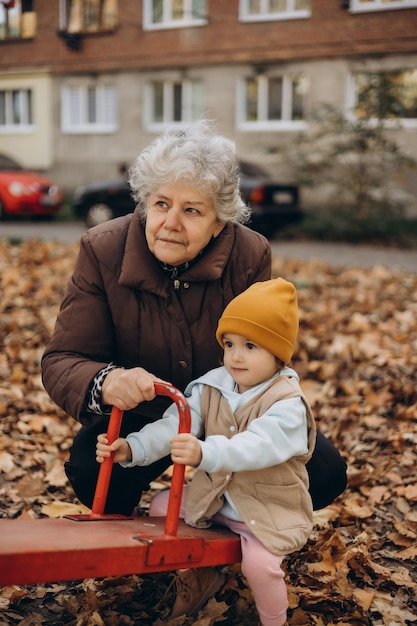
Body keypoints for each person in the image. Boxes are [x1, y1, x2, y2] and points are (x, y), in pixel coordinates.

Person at [41, 119, 346, 518]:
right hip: (144, 411)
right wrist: (108, 381)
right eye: (161, 204)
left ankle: (225, 525)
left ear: (220, 221)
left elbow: (264, 349)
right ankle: (136, 544)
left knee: (324, 473)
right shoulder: (103, 250)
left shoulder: (249, 255)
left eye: (191, 211)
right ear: (146, 202)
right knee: (93, 469)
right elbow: (63, 357)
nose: (171, 223)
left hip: (228, 408)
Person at [96, 278, 316, 626]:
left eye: (251, 346)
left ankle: (275, 620)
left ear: (278, 353)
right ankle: (201, 576)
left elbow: (257, 446)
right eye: (229, 344)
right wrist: (132, 448)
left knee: (259, 565)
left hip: (264, 507)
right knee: (159, 507)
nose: (236, 356)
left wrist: (204, 453)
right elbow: (175, 425)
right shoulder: (213, 385)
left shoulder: (286, 404)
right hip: (215, 498)